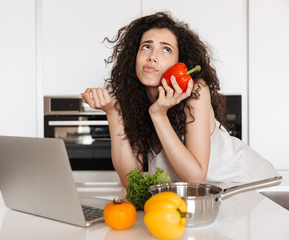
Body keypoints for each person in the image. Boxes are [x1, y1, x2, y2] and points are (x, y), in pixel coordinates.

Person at [81, 12, 277, 187]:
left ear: (180, 62)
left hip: (248, 184)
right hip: (206, 198)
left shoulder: (195, 91)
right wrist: (113, 112)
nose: (152, 57)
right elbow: (129, 180)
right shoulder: (134, 101)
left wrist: (159, 115)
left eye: (166, 50)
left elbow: (195, 179)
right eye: (146, 47)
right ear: (134, 56)